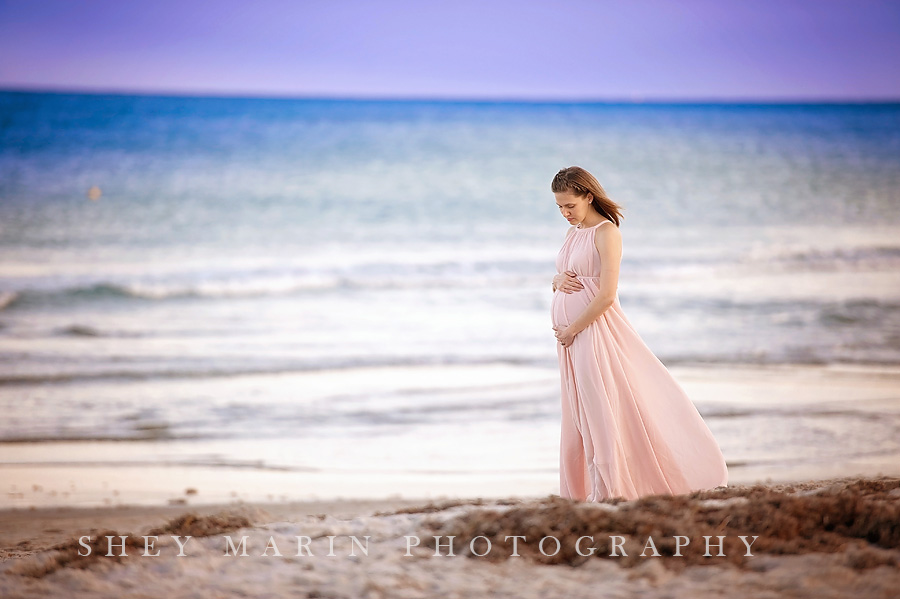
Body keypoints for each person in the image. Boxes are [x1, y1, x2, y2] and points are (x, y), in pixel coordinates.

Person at [550, 166, 728, 501]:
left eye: (570, 205)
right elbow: (564, 275)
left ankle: (610, 491)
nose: (565, 213)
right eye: (559, 207)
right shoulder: (572, 234)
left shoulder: (607, 232)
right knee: (579, 414)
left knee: (601, 411)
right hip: (571, 339)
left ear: (588, 196)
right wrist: (557, 281)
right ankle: (583, 491)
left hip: (591, 333)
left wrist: (573, 328)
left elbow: (606, 294)